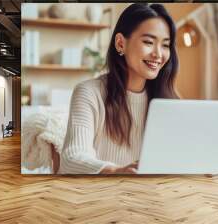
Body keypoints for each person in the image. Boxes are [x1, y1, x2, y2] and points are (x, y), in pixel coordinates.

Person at [59, 3, 179, 174]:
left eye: (165, 45)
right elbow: (72, 158)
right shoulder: (89, 93)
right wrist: (115, 171)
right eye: (148, 42)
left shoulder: (168, 100)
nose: (158, 54)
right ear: (120, 43)